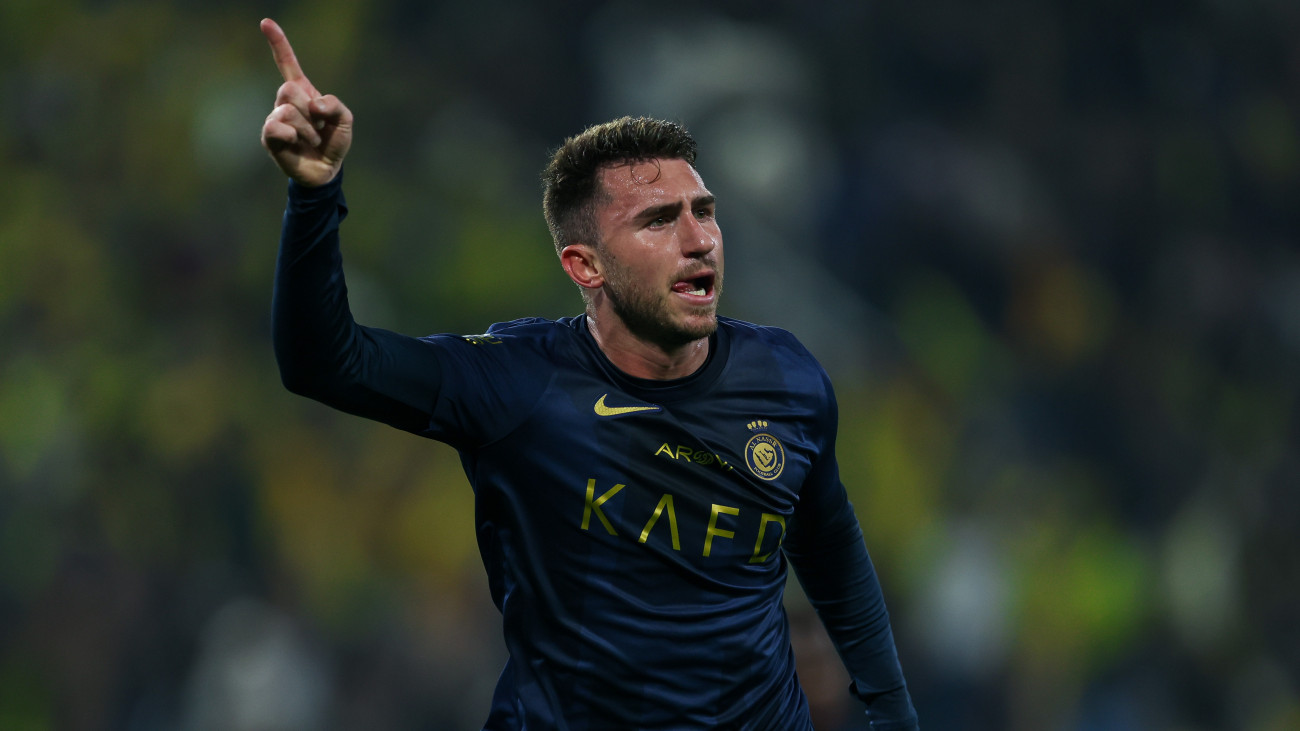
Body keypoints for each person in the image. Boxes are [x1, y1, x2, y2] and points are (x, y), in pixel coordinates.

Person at [259, 17, 919, 731]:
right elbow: (324, 363)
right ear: (585, 264)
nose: (699, 241)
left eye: (705, 212)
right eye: (659, 221)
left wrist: (893, 716)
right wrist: (314, 194)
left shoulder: (786, 377)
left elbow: (833, 557)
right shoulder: (519, 384)